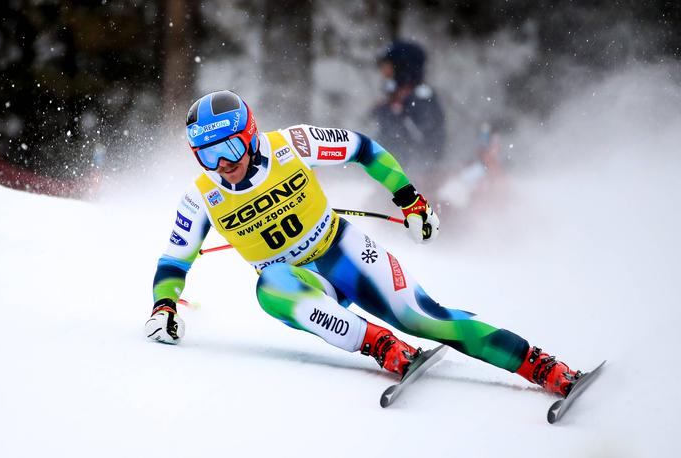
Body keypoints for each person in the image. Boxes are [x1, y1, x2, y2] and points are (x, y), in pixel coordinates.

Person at [145, 90, 581, 397]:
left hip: (343, 251)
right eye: (206, 155)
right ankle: (382, 346)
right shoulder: (202, 195)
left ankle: (542, 366)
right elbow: (173, 261)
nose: (223, 164)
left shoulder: (290, 145)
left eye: (230, 148)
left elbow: (364, 150)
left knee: (424, 317)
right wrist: (163, 307)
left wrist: (410, 200)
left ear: (250, 134)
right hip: (302, 284)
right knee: (269, 286)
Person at [372, 40, 447, 178]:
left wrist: (392, 112)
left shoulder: (421, 99)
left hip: (416, 180)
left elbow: (420, 142)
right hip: (393, 176)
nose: (384, 72)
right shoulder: (395, 99)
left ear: (401, 67)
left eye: (388, 66)